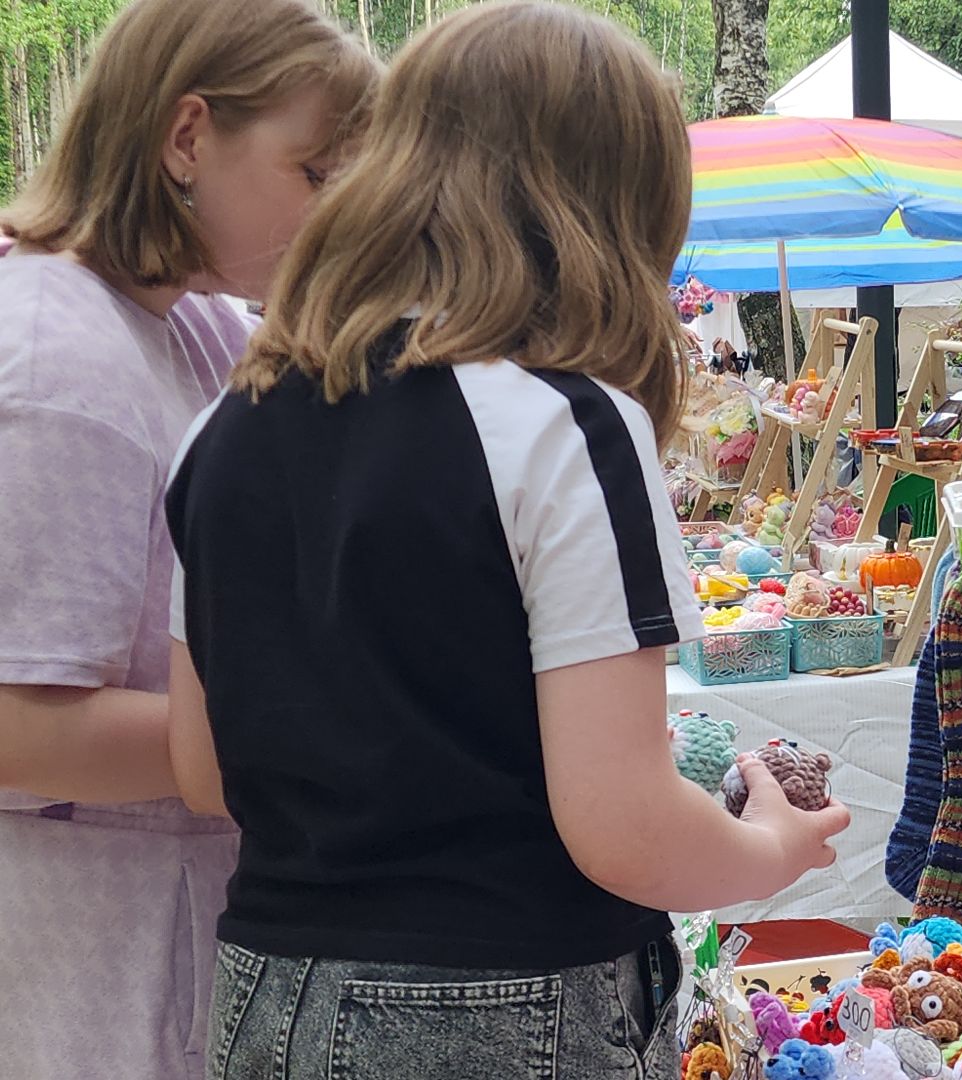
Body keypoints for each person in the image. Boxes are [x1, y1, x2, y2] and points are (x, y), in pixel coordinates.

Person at [163, 5, 850, 1076]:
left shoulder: (220, 429)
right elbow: (622, 826)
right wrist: (770, 850)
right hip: (499, 1004)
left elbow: (206, 770)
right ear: (620, 208)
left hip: (264, 991)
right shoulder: (563, 422)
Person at [0, 3, 376, 1077]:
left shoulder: (199, 325)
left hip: (176, 925)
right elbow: (16, 723)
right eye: (315, 172)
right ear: (186, 138)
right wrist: (310, 741)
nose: (335, 209)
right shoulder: (50, 359)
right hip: (89, 965)